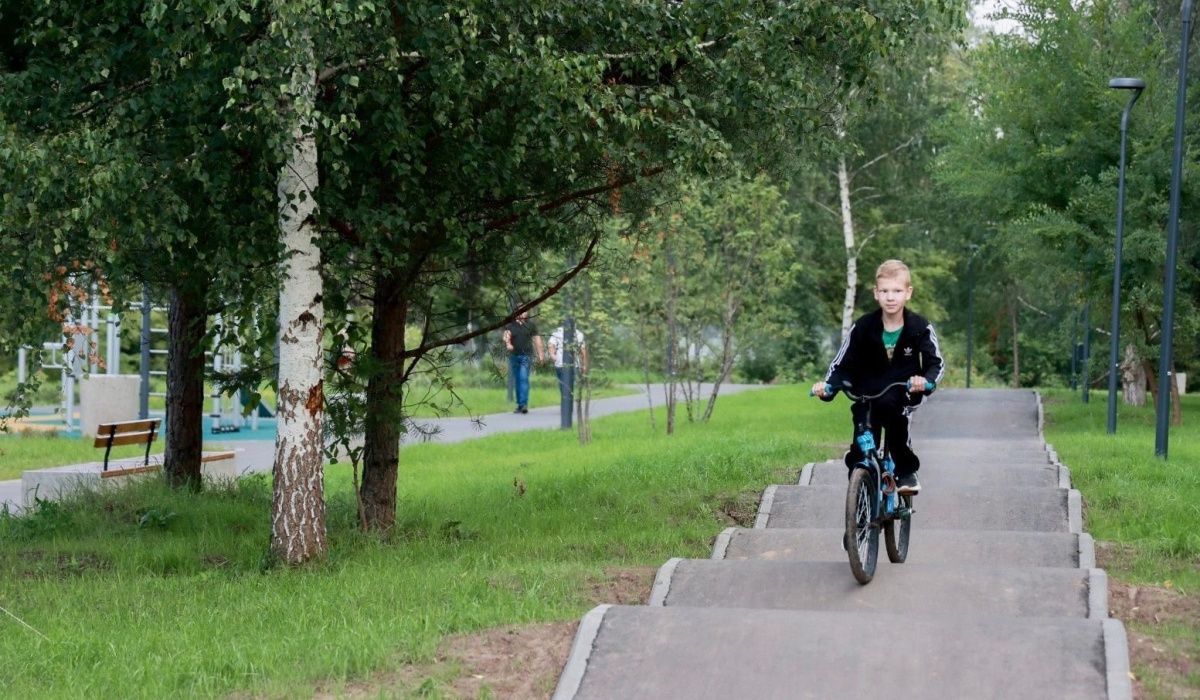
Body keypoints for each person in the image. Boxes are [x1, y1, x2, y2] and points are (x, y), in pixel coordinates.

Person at [811, 259, 944, 494]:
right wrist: (828, 387)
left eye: (897, 291)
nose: (890, 297)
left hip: (902, 393)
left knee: (896, 425)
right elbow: (841, 364)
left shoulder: (919, 327)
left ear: (908, 293)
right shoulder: (863, 327)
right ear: (876, 293)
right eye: (884, 291)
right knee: (861, 443)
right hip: (868, 393)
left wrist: (926, 381)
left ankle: (905, 470)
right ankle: (860, 492)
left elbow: (936, 363)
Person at [503, 310, 544, 414]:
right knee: (517, 380)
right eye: (522, 310)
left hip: (526, 356)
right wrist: (508, 344)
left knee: (523, 378)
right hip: (514, 356)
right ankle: (520, 405)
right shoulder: (510, 325)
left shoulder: (531, 325)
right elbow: (506, 336)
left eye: (525, 311)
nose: (524, 313)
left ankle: (524, 403)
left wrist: (540, 354)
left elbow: (537, 340)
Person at [547, 322, 588, 422]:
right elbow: (551, 344)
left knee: (567, 386)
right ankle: (567, 405)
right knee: (565, 386)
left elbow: (583, 350)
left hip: (570, 364)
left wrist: (584, 364)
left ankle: (566, 406)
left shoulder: (577, 334)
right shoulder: (559, 332)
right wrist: (552, 355)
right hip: (562, 364)